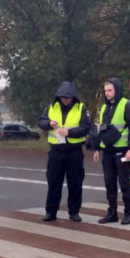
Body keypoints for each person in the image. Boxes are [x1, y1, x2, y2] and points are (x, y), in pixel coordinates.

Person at [37, 81, 91, 222]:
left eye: (67, 97)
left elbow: (86, 127)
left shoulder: (81, 108)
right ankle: (51, 211)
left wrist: (70, 132)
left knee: (75, 183)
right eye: (62, 97)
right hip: (56, 152)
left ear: (73, 97)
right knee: (54, 182)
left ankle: (74, 212)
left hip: (74, 152)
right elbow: (40, 122)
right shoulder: (51, 107)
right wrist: (48, 124)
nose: (64, 100)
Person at [93, 77, 130, 225]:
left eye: (110, 90)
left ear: (117, 90)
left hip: (122, 151)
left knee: (124, 183)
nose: (107, 93)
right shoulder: (105, 108)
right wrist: (98, 149)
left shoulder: (127, 105)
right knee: (109, 183)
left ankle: (128, 214)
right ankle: (112, 213)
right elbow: (102, 131)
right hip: (107, 152)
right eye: (105, 90)